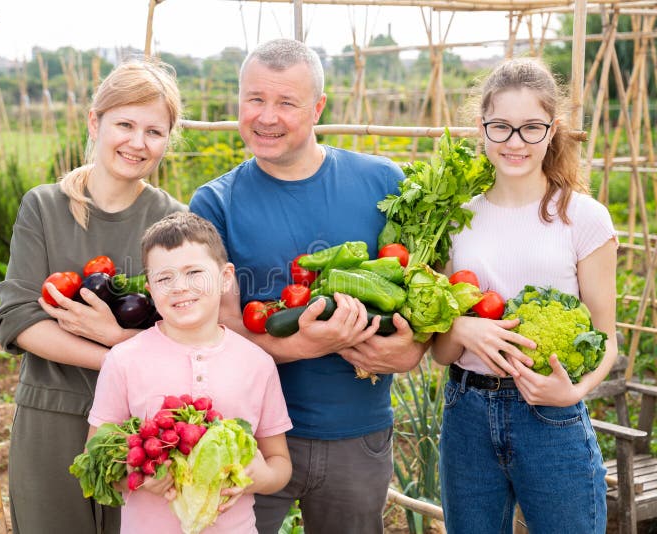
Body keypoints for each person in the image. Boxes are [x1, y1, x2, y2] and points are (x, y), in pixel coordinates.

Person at [189, 38, 428, 533]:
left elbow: (424, 289)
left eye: (286, 102)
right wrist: (304, 344)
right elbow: (208, 332)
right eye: (255, 99)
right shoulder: (214, 203)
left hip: (356, 434)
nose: (266, 116)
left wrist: (413, 348)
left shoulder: (384, 183)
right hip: (246, 435)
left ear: (318, 107)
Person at [0, 58, 187, 534]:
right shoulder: (44, 206)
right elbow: (17, 319)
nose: (138, 143)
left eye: (155, 132)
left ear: (168, 140)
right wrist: (119, 352)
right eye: (125, 124)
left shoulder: (174, 222)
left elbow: (189, 331)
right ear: (95, 122)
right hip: (51, 415)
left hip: (145, 423)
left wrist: (117, 338)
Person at [431, 57, 618, 533]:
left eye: (531, 128)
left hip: (552, 420)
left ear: (552, 131)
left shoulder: (585, 218)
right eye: (502, 127)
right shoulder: (455, 220)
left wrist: (571, 390)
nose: (515, 143)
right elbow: (440, 352)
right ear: (482, 128)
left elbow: (605, 338)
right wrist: (461, 326)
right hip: (467, 413)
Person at [87, 211, 293, 533]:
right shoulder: (124, 360)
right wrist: (134, 475)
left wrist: (261, 477)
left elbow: (280, 462)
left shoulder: (257, 363)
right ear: (150, 288)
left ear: (225, 277)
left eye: (194, 272)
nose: (179, 287)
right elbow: (95, 455)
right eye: (164, 278)